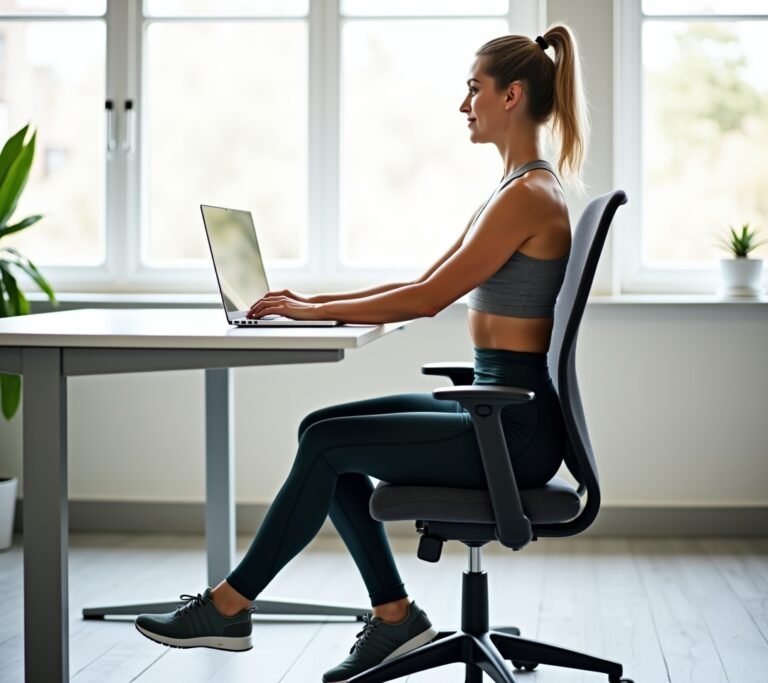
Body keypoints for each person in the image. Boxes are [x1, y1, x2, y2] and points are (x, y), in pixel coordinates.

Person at [136, 23, 588, 683]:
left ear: (512, 94)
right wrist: (311, 300)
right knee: (320, 432)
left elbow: (429, 299)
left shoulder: (527, 197)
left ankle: (229, 606)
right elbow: (417, 282)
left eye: (474, 89)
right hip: (502, 409)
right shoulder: (512, 189)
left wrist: (310, 311)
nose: (465, 105)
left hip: (512, 427)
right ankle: (396, 615)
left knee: (328, 445)